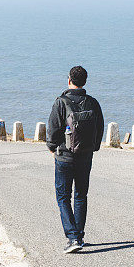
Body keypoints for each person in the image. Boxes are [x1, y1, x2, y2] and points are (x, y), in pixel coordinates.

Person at [46, 65, 104, 253]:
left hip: (64, 156)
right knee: (80, 195)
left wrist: (52, 148)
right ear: (85, 81)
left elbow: (53, 129)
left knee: (63, 197)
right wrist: (93, 148)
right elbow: (99, 128)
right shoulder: (92, 102)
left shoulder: (61, 102)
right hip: (85, 156)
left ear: (69, 80)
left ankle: (73, 238)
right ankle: (78, 235)